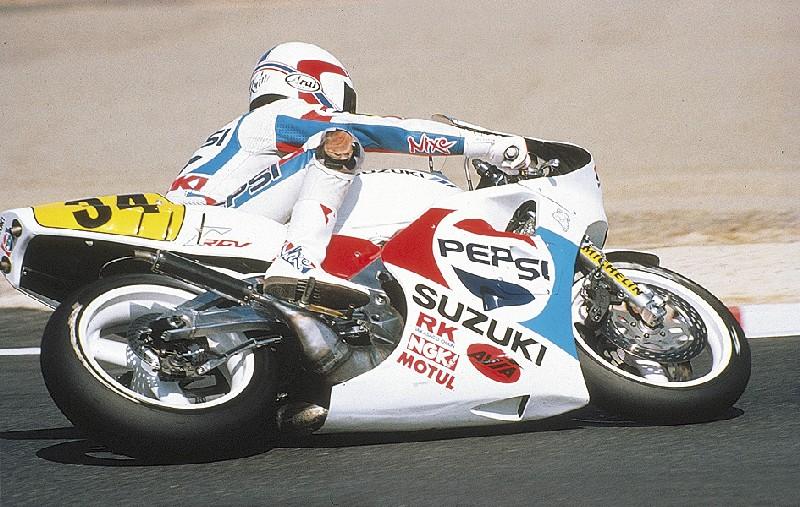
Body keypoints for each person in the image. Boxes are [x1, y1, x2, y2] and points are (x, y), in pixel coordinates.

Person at [166, 42, 530, 303]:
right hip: (211, 224)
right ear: (308, 81)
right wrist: (488, 145)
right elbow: (379, 131)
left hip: (200, 226)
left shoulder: (246, 133)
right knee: (340, 141)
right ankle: (298, 262)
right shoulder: (276, 116)